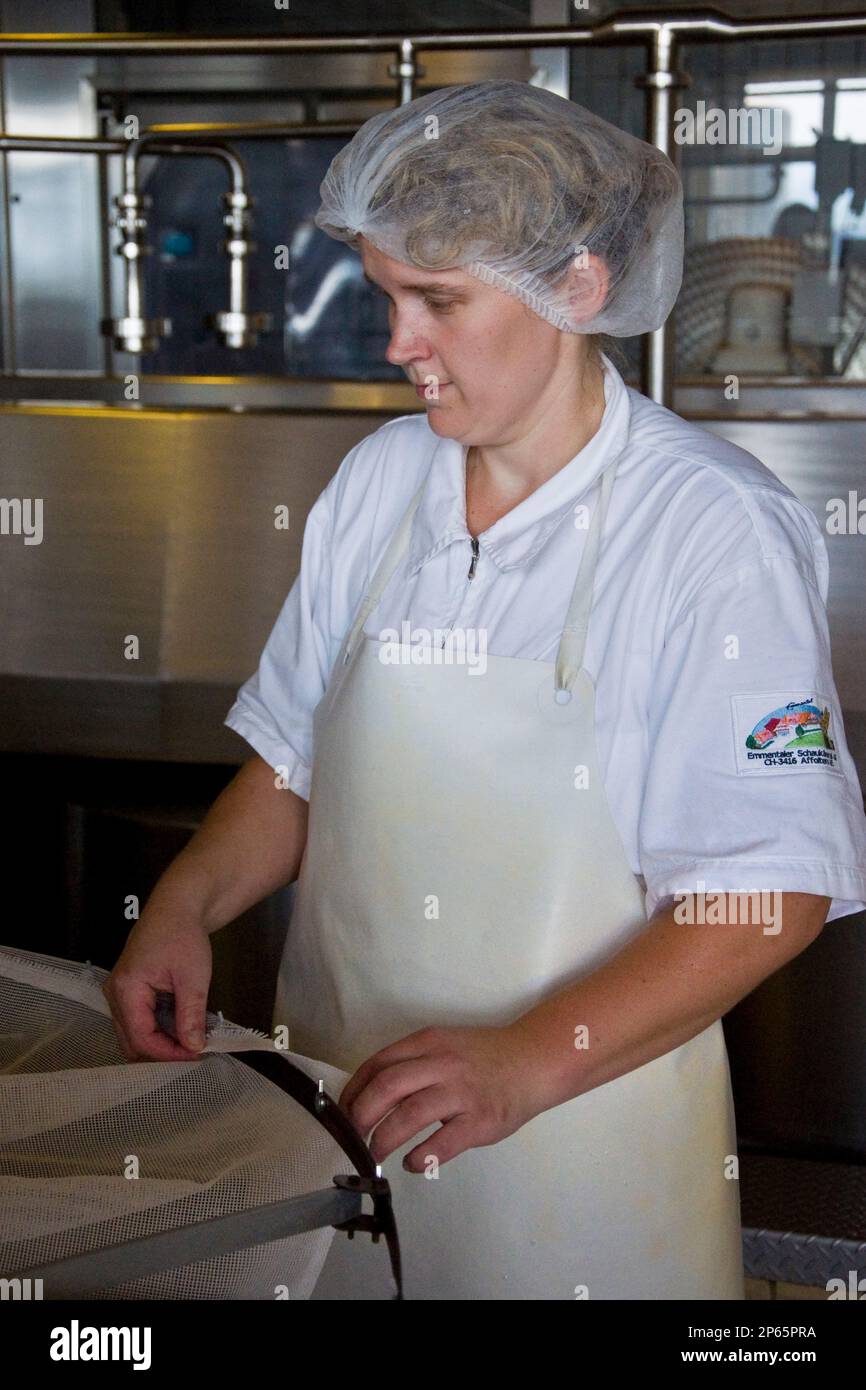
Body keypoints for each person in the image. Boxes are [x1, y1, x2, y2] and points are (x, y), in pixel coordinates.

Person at [103, 80, 866, 1300]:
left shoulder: (709, 529)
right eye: (386, 294)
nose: (397, 341)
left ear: (574, 286)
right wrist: (188, 902)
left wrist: (522, 1061)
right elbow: (294, 760)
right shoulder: (374, 483)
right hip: (343, 1142)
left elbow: (766, 890)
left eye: (438, 302)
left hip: (579, 1170)